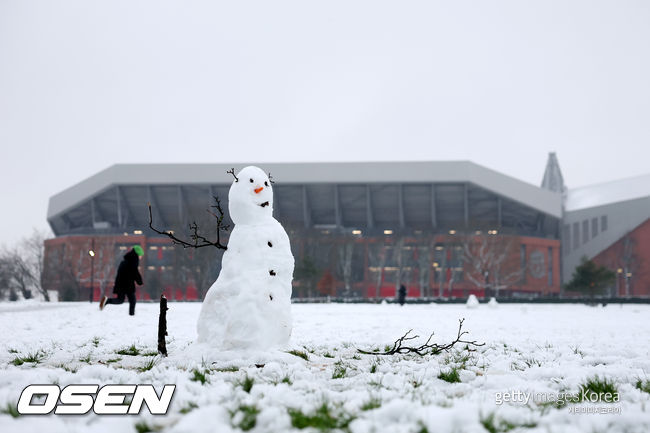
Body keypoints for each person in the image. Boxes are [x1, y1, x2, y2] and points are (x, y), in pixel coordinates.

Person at [99, 245, 144, 315]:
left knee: (120, 300)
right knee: (132, 300)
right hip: (127, 284)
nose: (141, 257)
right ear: (137, 254)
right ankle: (131, 315)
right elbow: (135, 272)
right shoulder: (133, 261)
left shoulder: (126, 260)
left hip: (120, 283)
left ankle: (107, 300)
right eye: (141, 255)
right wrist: (140, 281)